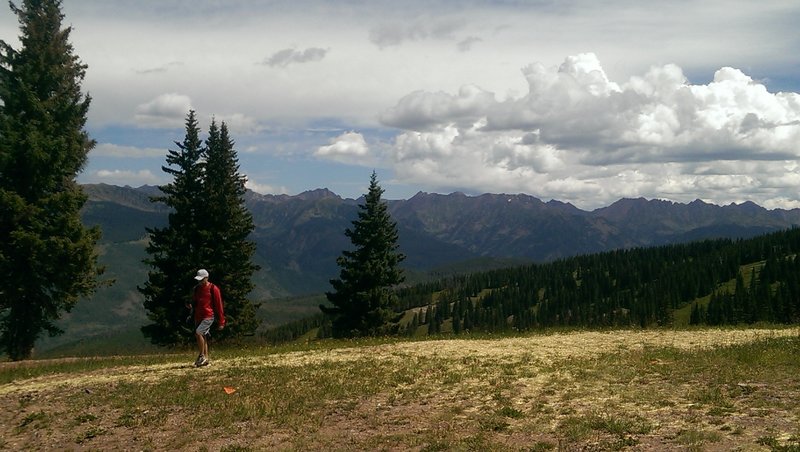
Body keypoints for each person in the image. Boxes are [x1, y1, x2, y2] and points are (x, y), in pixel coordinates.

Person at [188, 268, 225, 367]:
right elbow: (195, 301)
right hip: (198, 315)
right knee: (202, 336)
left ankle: (201, 356)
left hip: (208, 316)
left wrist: (221, 321)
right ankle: (205, 360)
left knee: (198, 333)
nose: (200, 282)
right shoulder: (197, 289)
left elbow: (219, 305)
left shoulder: (213, 289)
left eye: (201, 279)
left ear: (206, 278)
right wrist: (191, 305)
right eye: (199, 280)